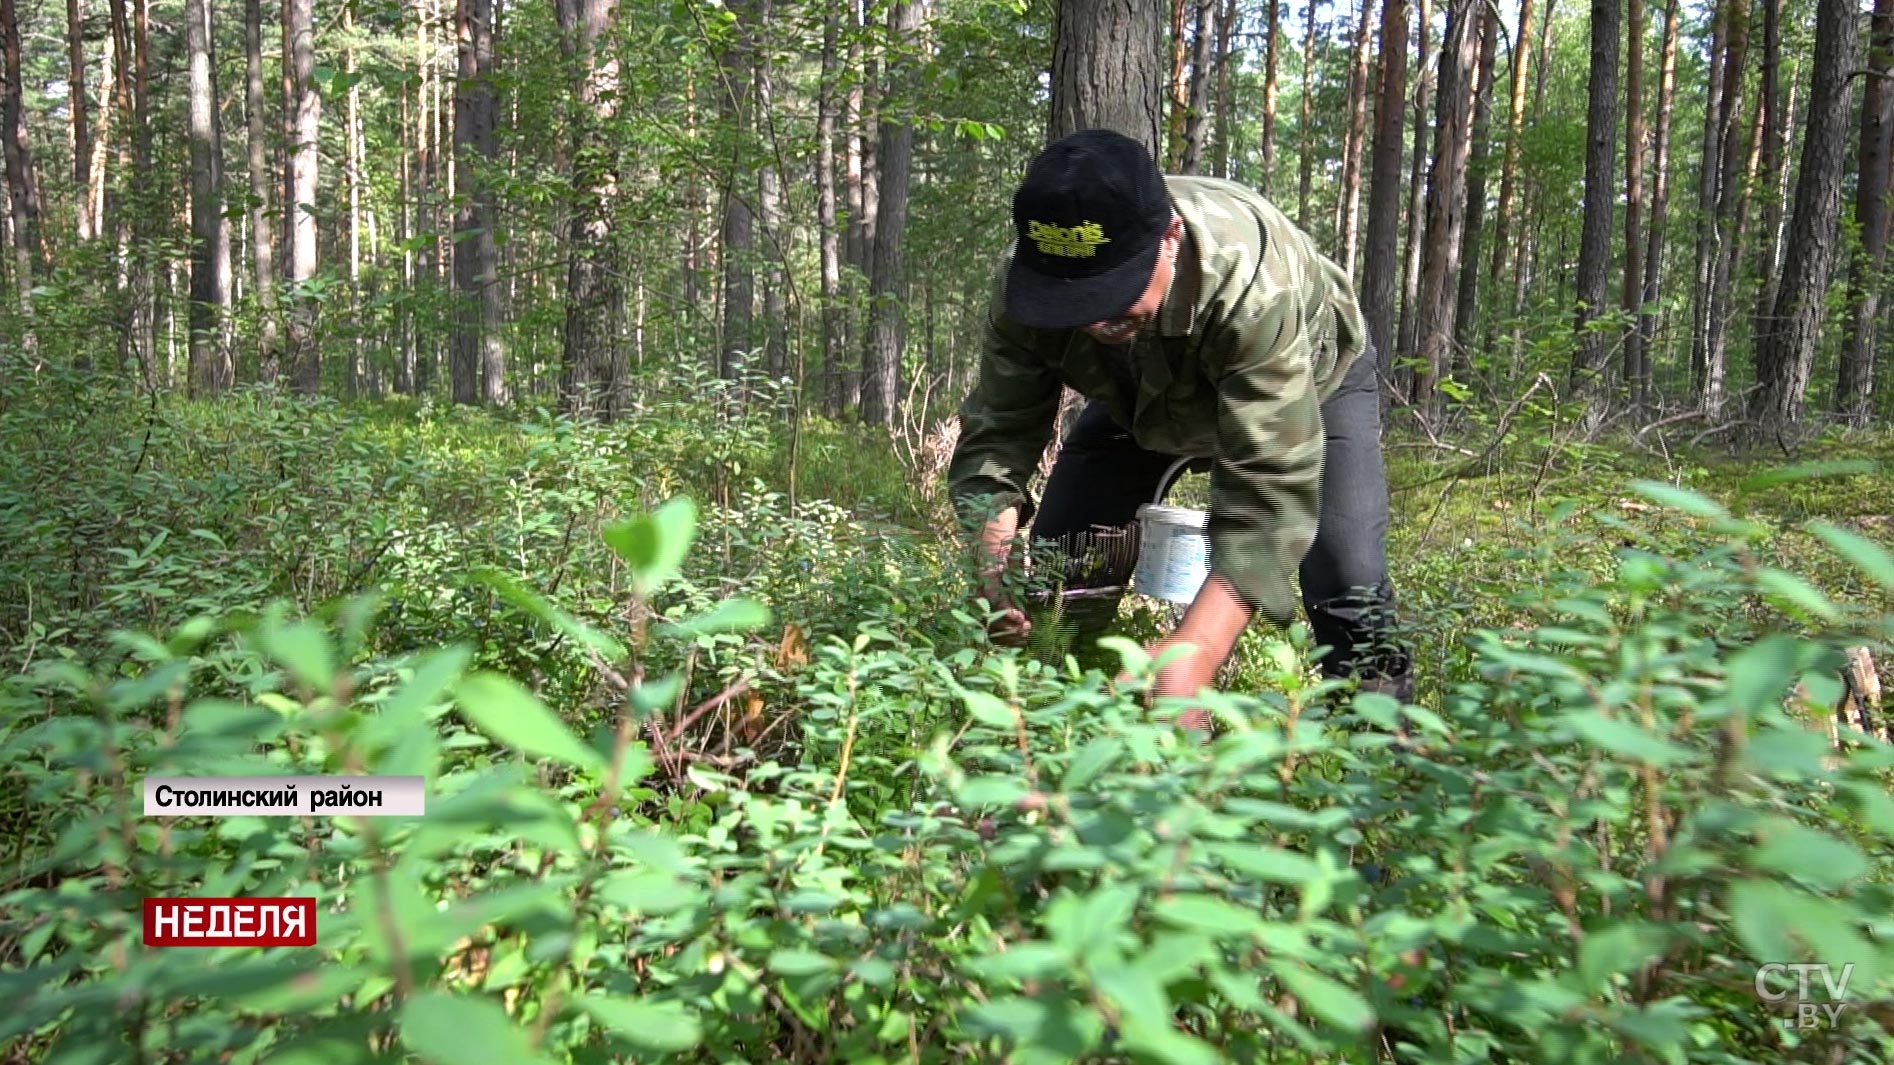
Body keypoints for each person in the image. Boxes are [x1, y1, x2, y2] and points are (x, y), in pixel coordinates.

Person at [946, 128, 1413, 721]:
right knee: (1063, 570)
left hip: (1313, 383)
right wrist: (992, 566)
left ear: (1170, 238)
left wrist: (1197, 651)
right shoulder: (1030, 282)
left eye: (1113, 296)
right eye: (1075, 306)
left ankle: (1386, 760)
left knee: (1349, 578)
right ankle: (1063, 725)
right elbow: (999, 432)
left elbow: (1269, 488)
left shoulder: (1252, 283)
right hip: (1137, 401)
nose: (1094, 323)